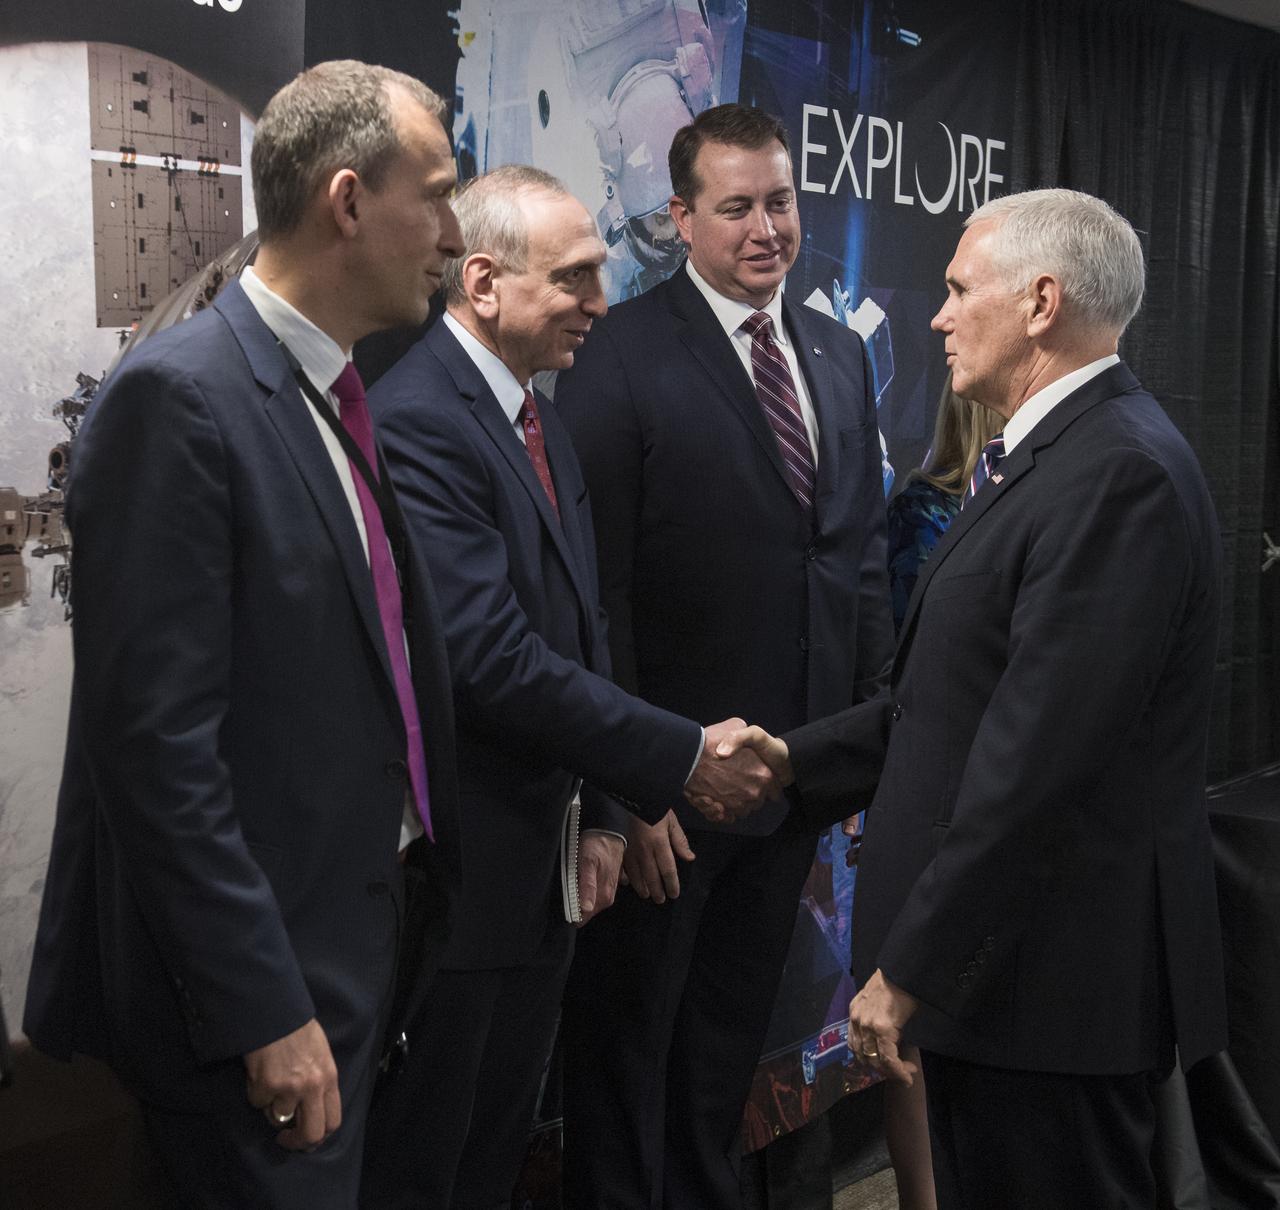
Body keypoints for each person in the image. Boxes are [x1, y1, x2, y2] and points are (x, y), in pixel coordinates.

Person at [724, 188, 1228, 1209]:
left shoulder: (1114, 472)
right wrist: (791, 760)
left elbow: (1032, 764)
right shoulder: (1044, 458)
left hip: (1043, 998)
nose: (936, 315)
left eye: (958, 289)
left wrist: (909, 968)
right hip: (1003, 993)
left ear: (1039, 300)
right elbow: (946, 700)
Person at [22, 61, 465, 1208]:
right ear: (349, 201)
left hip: (353, 958)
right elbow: (155, 752)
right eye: (438, 194)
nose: (454, 235)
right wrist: (264, 1004)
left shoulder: (325, 393)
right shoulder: (180, 399)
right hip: (257, 1006)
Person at [359, 165, 777, 1208]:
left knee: (491, 1160)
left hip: (535, 886)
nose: (600, 300)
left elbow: (582, 628)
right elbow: (490, 657)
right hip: (460, 894)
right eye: (576, 277)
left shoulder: (533, 417)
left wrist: (604, 808)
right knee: (429, 1171)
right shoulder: (419, 420)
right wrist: (676, 758)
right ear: (485, 281)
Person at [554, 103, 894, 1209]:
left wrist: (852, 755)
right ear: (680, 217)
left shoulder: (837, 356)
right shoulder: (617, 351)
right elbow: (591, 592)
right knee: (626, 1061)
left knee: (721, 1058)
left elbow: (855, 567)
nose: (765, 228)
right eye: (735, 206)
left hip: (789, 786)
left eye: (781, 202)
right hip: (670, 800)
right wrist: (628, 793)